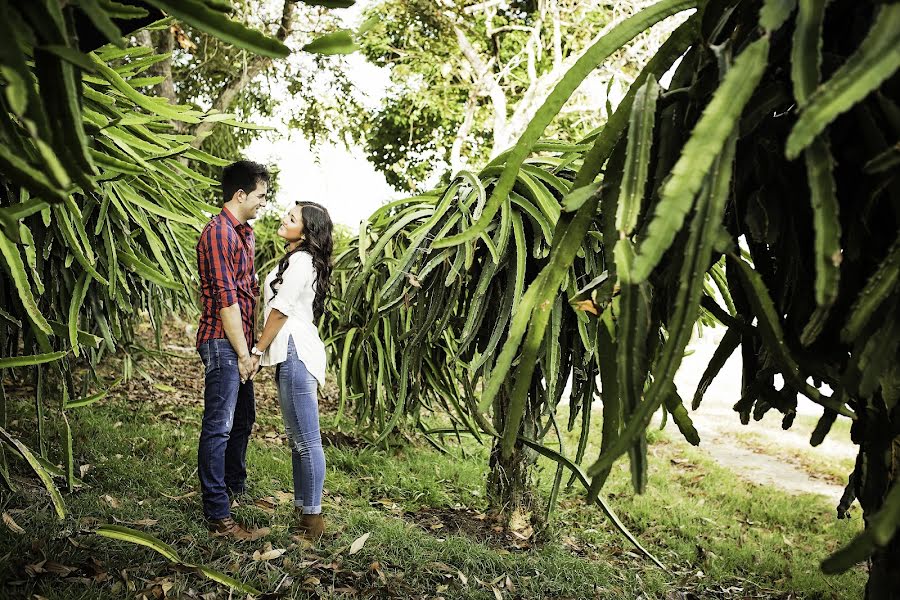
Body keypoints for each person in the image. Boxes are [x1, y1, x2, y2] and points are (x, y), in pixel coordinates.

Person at [195, 160, 269, 540]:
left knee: (243, 420)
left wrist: (252, 351)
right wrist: (243, 353)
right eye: (259, 196)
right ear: (240, 195)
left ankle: (233, 488)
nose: (263, 203)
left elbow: (249, 292)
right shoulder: (218, 233)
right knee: (219, 426)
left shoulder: (246, 234)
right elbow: (227, 301)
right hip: (223, 340)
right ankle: (217, 512)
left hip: (240, 343)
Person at [251, 201, 333, 540]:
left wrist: (257, 349)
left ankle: (313, 522)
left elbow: (281, 310)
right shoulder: (295, 260)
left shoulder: (300, 261)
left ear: (307, 230)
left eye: (293, 217)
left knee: (307, 440)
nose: (285, 218)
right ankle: (304, 511)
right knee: (298, 440)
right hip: (291, 353)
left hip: (296, 351)